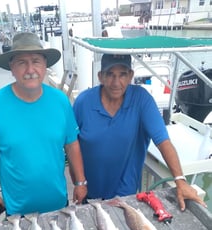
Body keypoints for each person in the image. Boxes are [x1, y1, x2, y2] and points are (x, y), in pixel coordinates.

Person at [72, 53, 206, 211]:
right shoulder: (83, 102)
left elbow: (163, 141)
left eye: (122, 74)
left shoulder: (142, 99)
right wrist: (78, 182)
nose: (116, 82)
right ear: (100, 77)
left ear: (130, 76)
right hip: (88, 193)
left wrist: (180, 180)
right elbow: (72, 144)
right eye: (110, 74)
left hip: (125, 197)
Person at [0, 32, 87, 216]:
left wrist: (80, 182)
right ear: (11, 68)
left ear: (45, 65)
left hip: (58, 204)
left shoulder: (60, 101)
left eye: (36, 61)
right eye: (21, 62)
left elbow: (71, 143)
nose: (30, 69)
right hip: (17, 211)